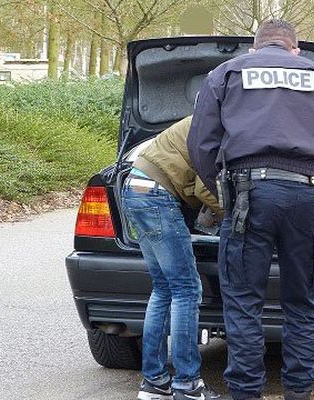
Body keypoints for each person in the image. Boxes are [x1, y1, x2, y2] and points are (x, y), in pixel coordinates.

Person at [188, 20, 314, 400]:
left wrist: (223, 189)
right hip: (307, 196)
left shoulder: (227, 73)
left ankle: (246, 392)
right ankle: (299, 391)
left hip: (249, 196)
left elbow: (201, 144)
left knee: (244, 301)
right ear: (295, 50)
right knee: (302, 300)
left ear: (254, 49)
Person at [122, 116, 222, 400]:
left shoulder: (201, 119)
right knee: (186, 290)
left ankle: (154, 383)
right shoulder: (215, 128)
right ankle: (187, 384)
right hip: (157, 197)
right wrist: (233, 214)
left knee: (164, 288)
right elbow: (206, 189)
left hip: (135, 187)